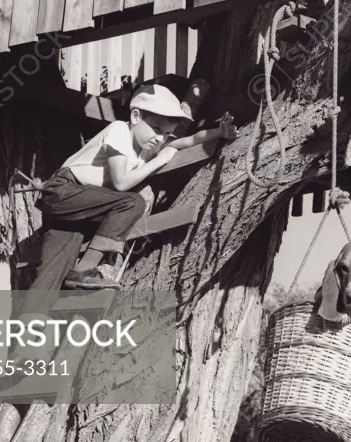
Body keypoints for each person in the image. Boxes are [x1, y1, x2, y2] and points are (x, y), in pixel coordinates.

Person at [29, 84, 237, 293]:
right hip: (62, 192)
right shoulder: (119, 131)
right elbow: (120, 183)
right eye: (156, 129)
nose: (160, 138)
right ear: (136, 116)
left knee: (50, 275)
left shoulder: (150, 145)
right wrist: (156, 163)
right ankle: (85, 268)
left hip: (79, 209)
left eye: (166, 134)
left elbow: (188, 140)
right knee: (132, 203)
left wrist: (218, 132)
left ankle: (33, 318)